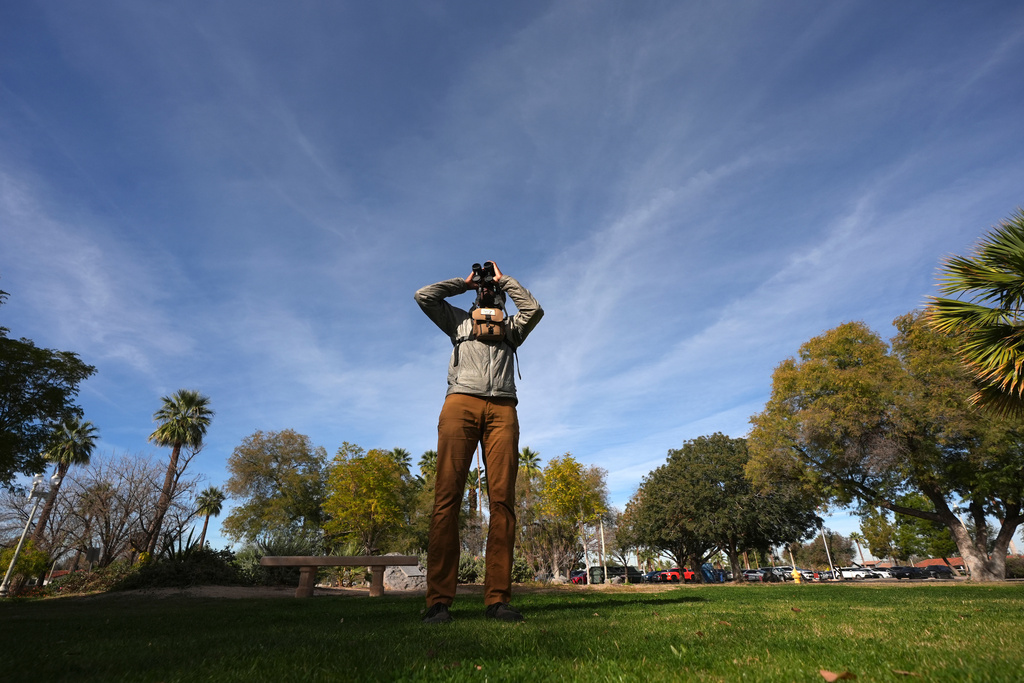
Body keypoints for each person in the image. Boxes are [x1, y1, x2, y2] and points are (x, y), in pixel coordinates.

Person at [414, 261, 544, 624]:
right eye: (483, 289)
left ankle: (498, 601)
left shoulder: (512, 328)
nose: (487, 291)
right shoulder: (459, 321)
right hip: (460, 404)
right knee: (447, 499)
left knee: (502, 502)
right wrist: (464, 282)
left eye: (492, 289)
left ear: (501, 298)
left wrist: (507, 281)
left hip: (503, 409)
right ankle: (438, 602)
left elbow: (534, 309)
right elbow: (423, 296)